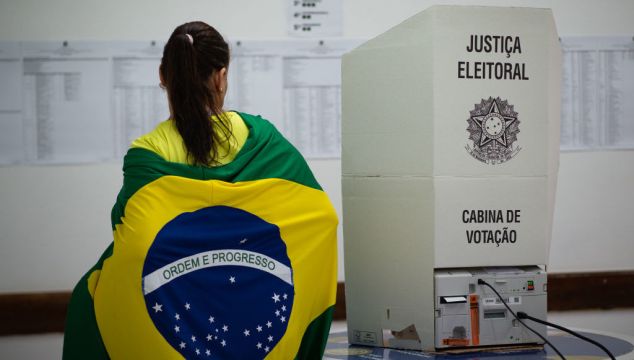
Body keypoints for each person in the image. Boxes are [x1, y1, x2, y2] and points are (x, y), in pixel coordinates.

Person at [63, 21, 338, 359]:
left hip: (170, 330)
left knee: (86, 298)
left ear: (163, 75)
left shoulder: (148, 153)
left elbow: (130, 235)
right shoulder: (261, 138)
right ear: (222, 76)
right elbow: (321, 217)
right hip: (252, 324)